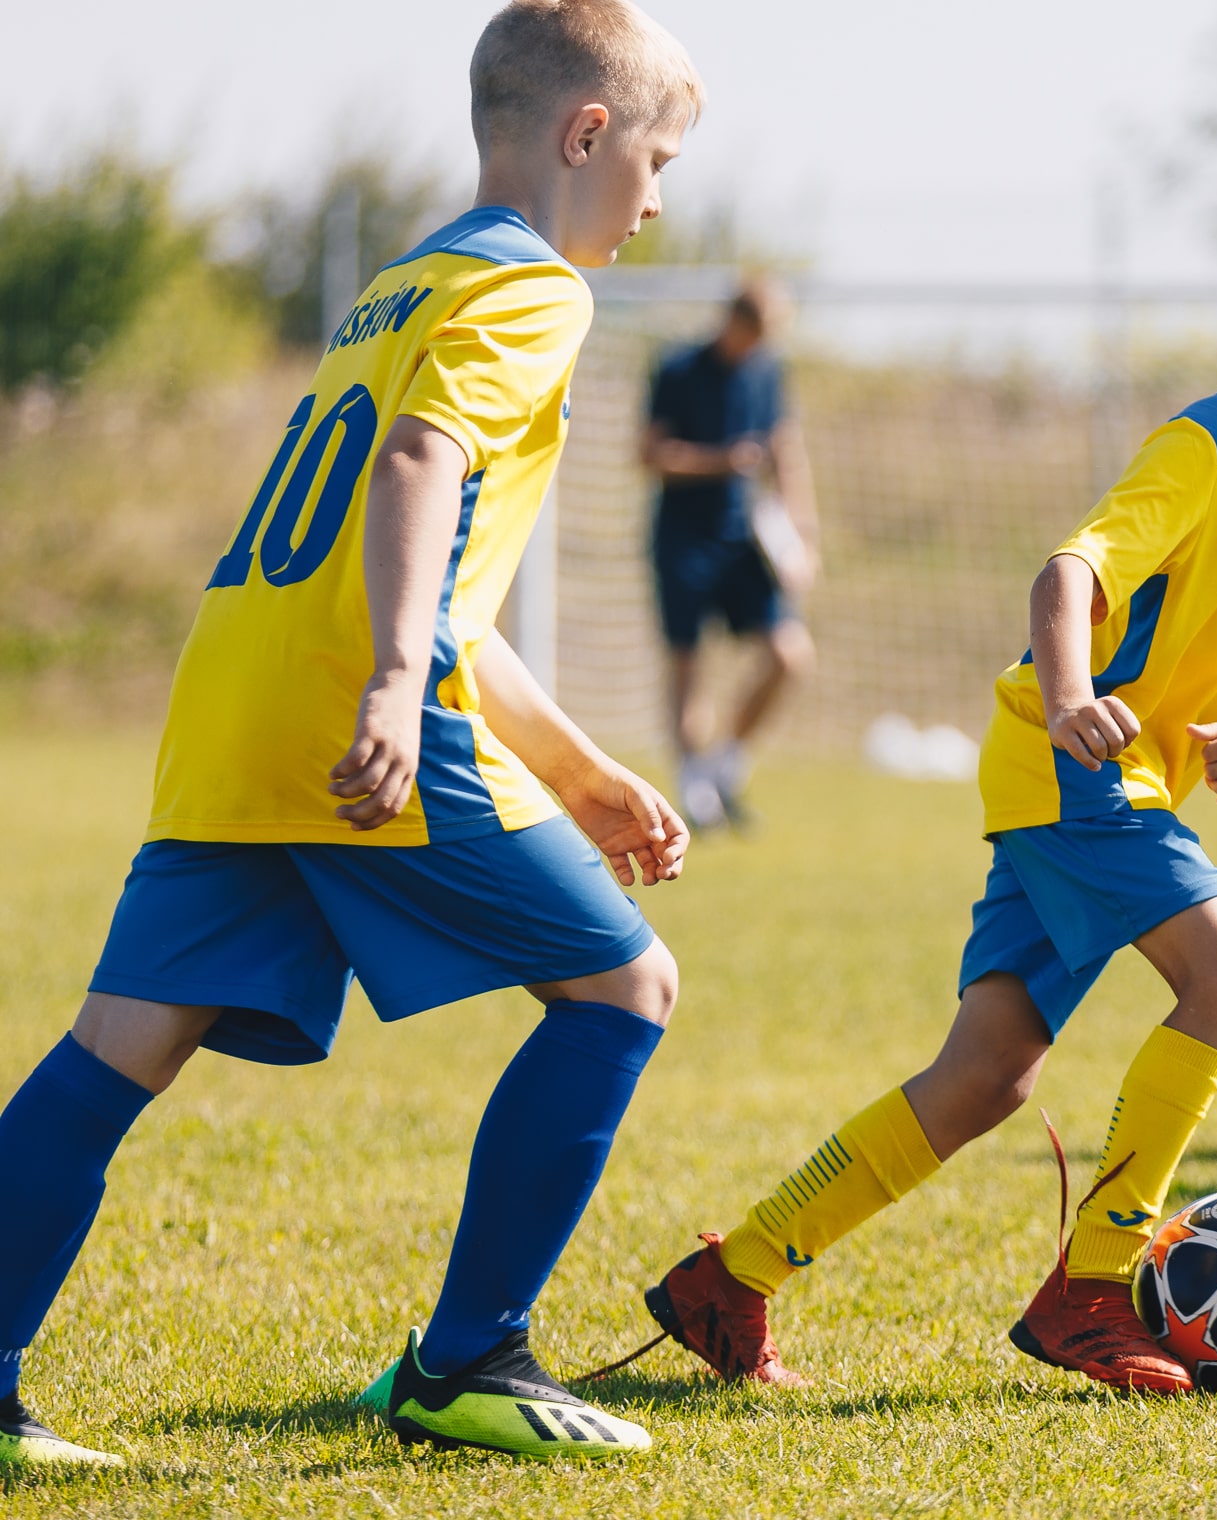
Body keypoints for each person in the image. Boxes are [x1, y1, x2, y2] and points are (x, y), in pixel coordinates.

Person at [0, 0, 706, 1466]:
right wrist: (395, 686)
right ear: (589, 134)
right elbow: (419, 464)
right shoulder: (534, 293)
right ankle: (471, 1362)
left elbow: (434, 569)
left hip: (240, 696)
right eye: (658, 156)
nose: (659, 195)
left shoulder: (402, 286)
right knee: (624, 989)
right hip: (353, 717)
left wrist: (577, 771)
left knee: (116, 1045)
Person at [622, 186, 1217, 1394]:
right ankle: (1093, 1288)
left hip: (1108, 788)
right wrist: (1073, 695)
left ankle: (730, 1277)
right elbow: (1071, 571)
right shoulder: (1204, 448)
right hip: (1075, 771)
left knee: (986, 1074)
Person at [642, 277, 819, 829]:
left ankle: (725, 767)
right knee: (689, 664)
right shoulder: (678, 370)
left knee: (790, 654)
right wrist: (722, 460)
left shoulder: (768, 371)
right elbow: (650, 455)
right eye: (756, 335)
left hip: (747, 539)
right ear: (733, 323)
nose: (759, 347)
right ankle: (692, 783)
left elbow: (784, 449)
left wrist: (803, 535)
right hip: (684, 537)